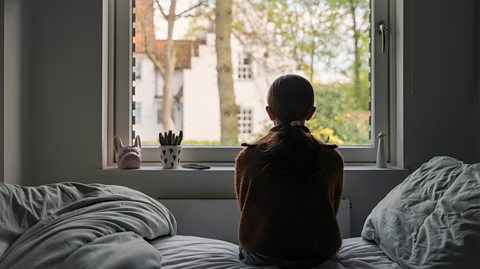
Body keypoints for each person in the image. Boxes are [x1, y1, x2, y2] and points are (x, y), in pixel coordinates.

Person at [234, 74, 344, 269]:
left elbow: (247, 210)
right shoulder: (332, 158)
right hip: (318, 255)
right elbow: (330, 211)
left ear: (269, 112)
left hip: (262, 254)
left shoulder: (247, 158)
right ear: (310, 113)